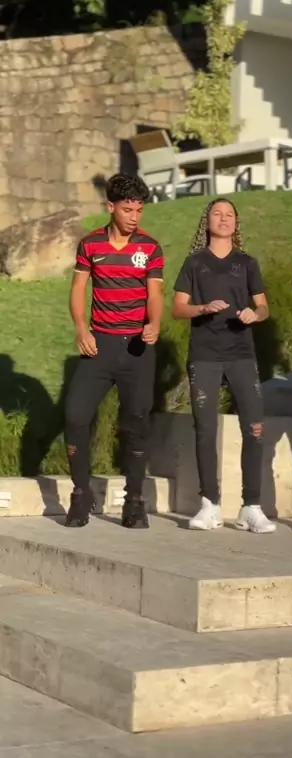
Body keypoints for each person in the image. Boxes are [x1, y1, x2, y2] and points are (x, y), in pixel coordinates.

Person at [64, 174, 164, 529]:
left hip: (137, 349)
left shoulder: (150, 248)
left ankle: (133, 501)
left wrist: (154, 323)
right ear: (110, 207)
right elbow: (78, 288)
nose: (134, 217)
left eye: (139, 210)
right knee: (75, 415)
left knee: (136, 423)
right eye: (127, 210)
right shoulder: (90, 244)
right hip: (100, 347)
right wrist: (81, 328)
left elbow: (155, 294)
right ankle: (80, 495)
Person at [172, 198, 275, 534]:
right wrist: (202, 309)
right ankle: (209, 505)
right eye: (217, 214)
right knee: (205, 429)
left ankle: (251, 507)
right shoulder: (194, 263)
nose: (224, 218)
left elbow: (263, 307)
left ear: (236, 223)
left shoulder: (247, 263)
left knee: (254, 428)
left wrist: (254, 315)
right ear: (207, 222)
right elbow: (178, 308)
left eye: (229, 214)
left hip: (242, 355)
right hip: (204, 355)